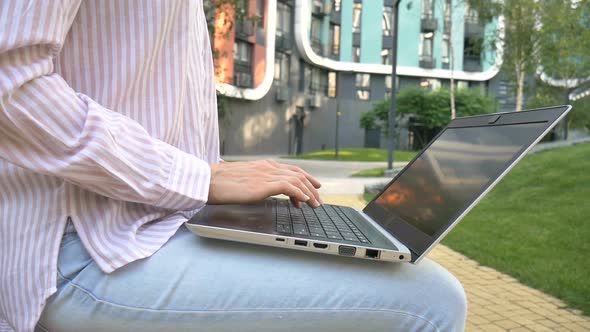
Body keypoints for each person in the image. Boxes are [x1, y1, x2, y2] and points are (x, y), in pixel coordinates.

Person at [0, 1, 466, 331]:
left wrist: (218, 174)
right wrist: (198, 178)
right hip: (84, 248)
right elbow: (11, 84)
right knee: (426, 302)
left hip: (152, 224)